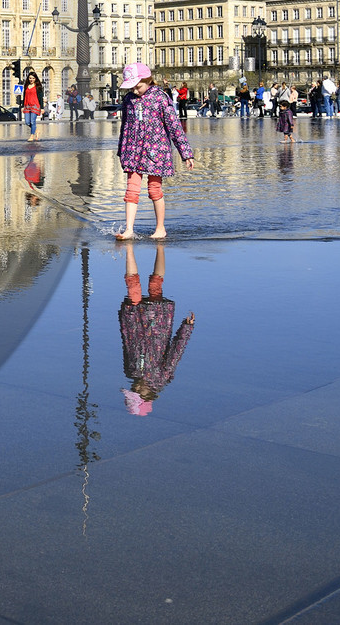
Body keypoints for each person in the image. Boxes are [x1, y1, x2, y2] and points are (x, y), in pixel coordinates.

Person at [115, 62, 195, 241]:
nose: (135, 91)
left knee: (154, 189)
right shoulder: (128, 99)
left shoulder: (160, 97)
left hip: (156, 151)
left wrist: (186, 153)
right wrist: (122, 149)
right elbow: (125, 126)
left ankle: (160, 228)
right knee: (131, 190)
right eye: (132, 87)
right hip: (133, 150)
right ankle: (129, 229)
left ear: (148, 80)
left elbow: (174, 126)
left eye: (138, 86)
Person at [119, 243, 195, 417]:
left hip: (134, 324)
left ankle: (129, 249)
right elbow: (176, 351)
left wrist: (124, 321)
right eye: (137, 392)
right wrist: (187, 327)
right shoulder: (162, 376)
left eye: (132, 390)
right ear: (148, 396)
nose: (134, 387)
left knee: (133, 287)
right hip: (157, 324)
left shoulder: (131, 372)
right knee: (155, 286)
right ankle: (160, 247)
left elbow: (126, 345)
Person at [20, 72, 43, 142]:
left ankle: (32, 135)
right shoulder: (26, 86)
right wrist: (22, 106)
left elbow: (40, 98)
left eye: (33, 78)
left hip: (35, 105)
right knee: (27, 122)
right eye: (30, 78)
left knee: (32, 121)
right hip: (27, 106)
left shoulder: (38, 87)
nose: (31, 79)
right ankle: (36, 130)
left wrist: (42, 108)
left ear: (35, 79)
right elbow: (24, 97)